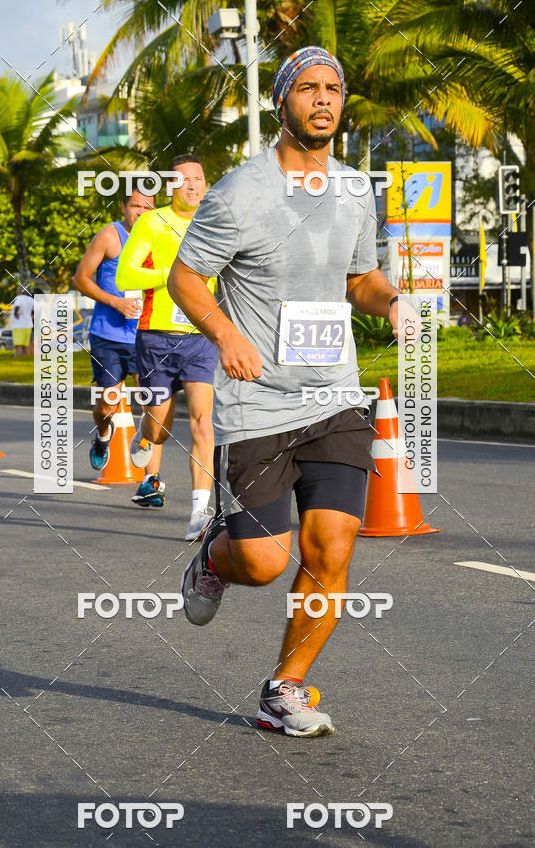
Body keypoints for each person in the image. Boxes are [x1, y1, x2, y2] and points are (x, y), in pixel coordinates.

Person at [169, 47, 408, 737]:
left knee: (331, 548)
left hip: (333, 396)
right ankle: (215, 554)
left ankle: (285, 689)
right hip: (257, 401)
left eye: (334, 88)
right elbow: (185, 278)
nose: (324, 99)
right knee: (264, 561)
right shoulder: (241, 192)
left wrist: (392, 302)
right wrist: (224, 334)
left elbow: (359, 278)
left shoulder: (356, 190)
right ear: (282, 103)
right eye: (309, 88)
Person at [115, 155, 218, 536]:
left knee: (203, 423)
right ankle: (143, 435)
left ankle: (198, 514)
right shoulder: (152, 222)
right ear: (170, 187)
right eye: (183, 180)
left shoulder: (216, 225)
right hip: (156, 338)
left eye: (198, 178)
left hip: (201, 336)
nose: (191, 185)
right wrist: (174, 275)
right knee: (159, 426)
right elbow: (126, 273)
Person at [73, 187, 159, 473]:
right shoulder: (110, 237)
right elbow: (81, 279)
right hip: (108, 335)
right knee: (108, 404)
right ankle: (103, 435)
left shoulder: (159, 239)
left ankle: (149, 473)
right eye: (136, 206)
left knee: (152, 402)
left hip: (146, 335)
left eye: (148, 208)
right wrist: (115, 302)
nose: (141, 213)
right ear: (123, 207)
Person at [11, 286, 34, 357]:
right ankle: (27, 358)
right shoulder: (30, 299)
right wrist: (32, 316)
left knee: (19, 345)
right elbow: (38, 308)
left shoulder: (19, 298)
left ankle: (19, 358)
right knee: (26, 344)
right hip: (28, 325)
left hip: (19, 325)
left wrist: (16, 313)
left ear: (19, 291)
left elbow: (17, 305)